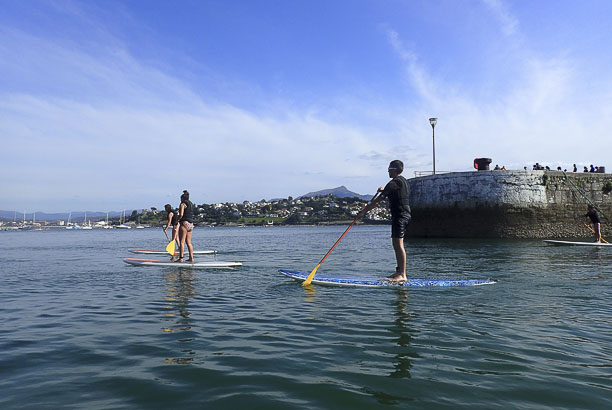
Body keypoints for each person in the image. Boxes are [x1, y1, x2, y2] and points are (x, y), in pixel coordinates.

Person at [361, 160, 411, 282]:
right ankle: (399, 272)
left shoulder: (393, 183)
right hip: (403, 215)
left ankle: (403, 275)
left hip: (400, 216)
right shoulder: (403, 181)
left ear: (394, 170)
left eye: (389, 169)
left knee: (399, 245)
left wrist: (364, 211)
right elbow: (394, 191)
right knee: (396, 244)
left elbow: (377, 202)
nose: (387, 171)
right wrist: (384, 190)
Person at [177, 190, 195, 262]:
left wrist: (177, 220)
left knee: (182, 242)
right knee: (189, 242)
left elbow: (181, 214)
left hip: (184, 223)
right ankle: (191, 258)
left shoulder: (182, 204)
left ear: (182, 198)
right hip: (191, 224)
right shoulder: (191, 204)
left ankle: (181, 258)